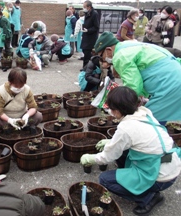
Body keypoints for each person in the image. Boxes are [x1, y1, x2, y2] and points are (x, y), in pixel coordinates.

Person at [80, 86, 181, 216]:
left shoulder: (126, 127)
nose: (110, 111)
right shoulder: (144, 113)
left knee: (105, 179)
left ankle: (149, 198)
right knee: (122, 151)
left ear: (116, 110)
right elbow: (137, 138)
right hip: (171, 166)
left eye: (111, 108)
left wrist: (91, 158)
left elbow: (107, 156)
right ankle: (130, 177)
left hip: (160, 178)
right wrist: (111, 142)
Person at [94, 31, 181, 123]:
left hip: (169, 85)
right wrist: (141, 96)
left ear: (108, 50)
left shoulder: (120, 56)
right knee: (159, 117)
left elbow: (133, 86)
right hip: (175, 78)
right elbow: (140, 79)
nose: (103, 59)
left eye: (101, 56)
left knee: (147, 121)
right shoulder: (129, 45)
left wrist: (122, 106)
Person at [0, 68, 42, 132]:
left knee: (38, 116)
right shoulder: (1, 91)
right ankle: (8, 128)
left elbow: (33, 107)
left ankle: (22, 126)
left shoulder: (27, 89)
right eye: (16, 86)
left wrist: (26, 116)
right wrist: (10, 120)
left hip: (22, 115)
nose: (19, 88)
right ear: (10, 82)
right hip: (6, 117)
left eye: (21, 86)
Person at [81, 0, 100, 67]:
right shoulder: (87, 13)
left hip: (91, 37)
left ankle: (85, 68)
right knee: (84, 50)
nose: (83, 8)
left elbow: (96, 27)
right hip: (86, 36)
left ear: (89, 7)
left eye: (84, 7)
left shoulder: (94, 14)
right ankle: (90, 65)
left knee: (87, 52)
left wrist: (88, 30)